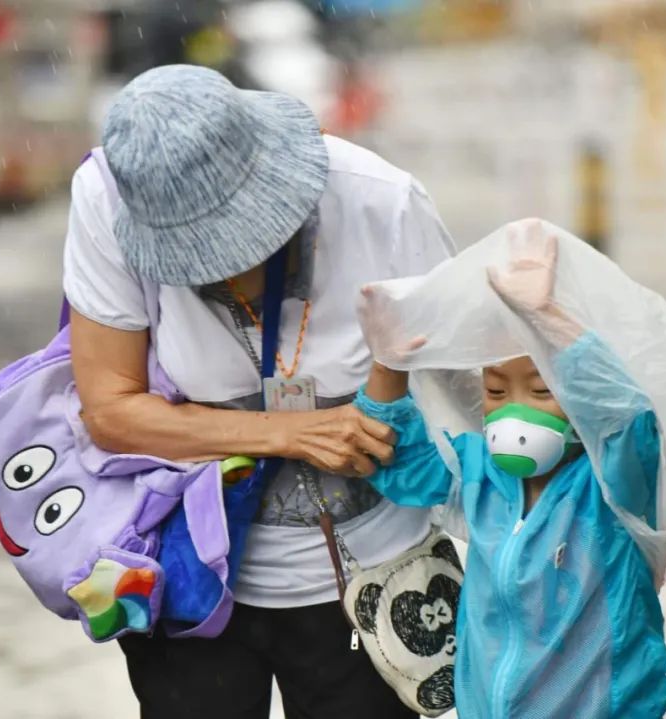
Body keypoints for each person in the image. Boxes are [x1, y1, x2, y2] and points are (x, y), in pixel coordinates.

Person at [64, 64, 454, 718]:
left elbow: (461, 398)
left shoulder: (382, 203)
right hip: (191, 577)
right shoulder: (109, 197)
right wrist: (290, 433)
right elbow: (110, 411)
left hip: (372, 576)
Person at [354, 231, 666, 718]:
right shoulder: (479, 472)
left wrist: (548, 318)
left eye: (542, 391)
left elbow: (625, 416)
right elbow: (398, 463)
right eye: (497, 392)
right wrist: (387, 366)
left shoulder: (612, 487)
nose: (514, 411)